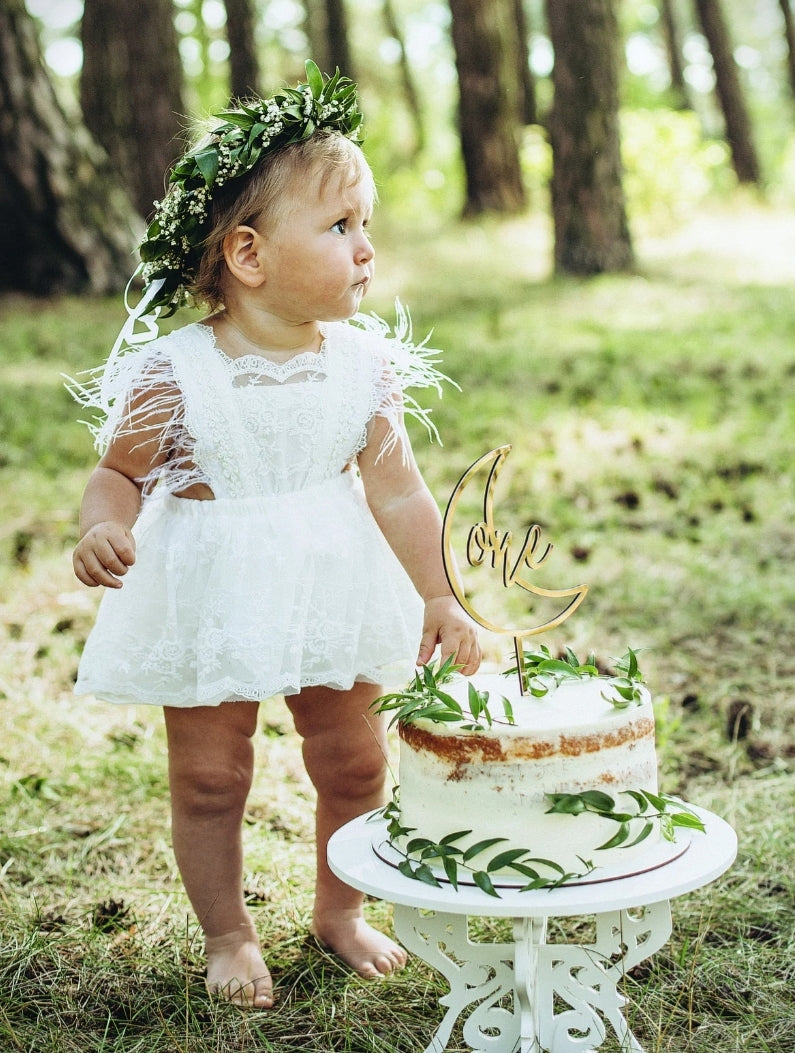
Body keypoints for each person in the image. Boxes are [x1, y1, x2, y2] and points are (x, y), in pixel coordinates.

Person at [69, 62, 481, 1010]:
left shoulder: (364, 365)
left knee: (355, 760)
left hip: (333, 580)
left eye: (366, 225)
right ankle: (227, 931)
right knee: (212, 774)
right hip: (212, 589)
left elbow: (400, 489)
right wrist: (103, 524)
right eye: (340, 228)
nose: (366, 248)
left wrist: (436, 592)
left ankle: (339, 911)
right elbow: (118, 472)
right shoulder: (174, 371)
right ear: (249, 256)